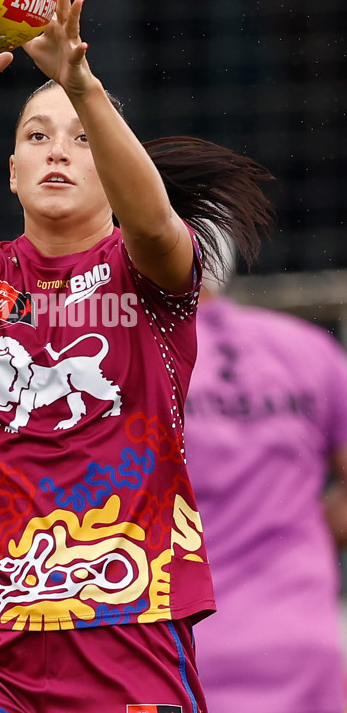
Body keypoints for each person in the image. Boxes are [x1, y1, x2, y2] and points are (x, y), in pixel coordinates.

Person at [0, 0, 273, 713]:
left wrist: (80, 83)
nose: (58, 151)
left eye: (84, 140)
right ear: (14, 174)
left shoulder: (149, 272)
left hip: (130, 629)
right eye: (36, 136)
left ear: (116, 168)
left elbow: (153, 225)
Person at [184, 260, 347, 713]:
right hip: (300, 646)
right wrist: (299, 530)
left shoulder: (128, 360)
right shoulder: (308, 347)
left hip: (176, 651)